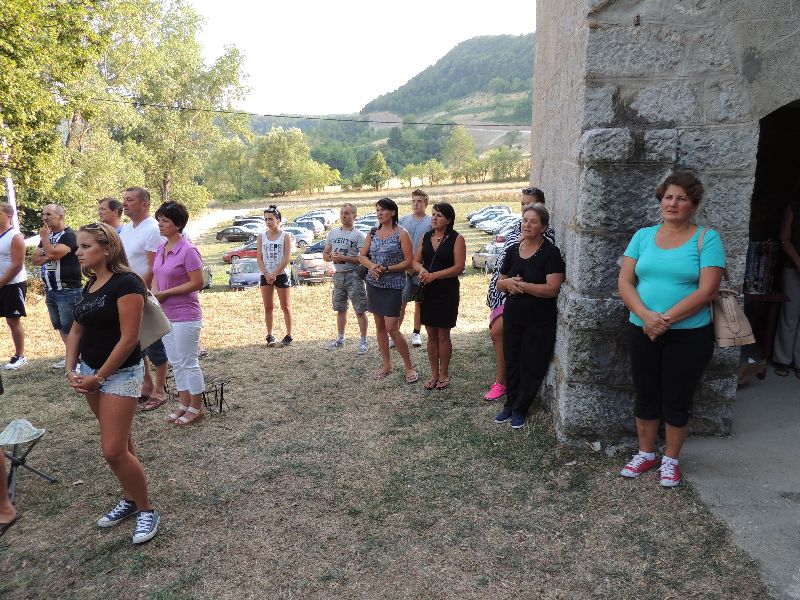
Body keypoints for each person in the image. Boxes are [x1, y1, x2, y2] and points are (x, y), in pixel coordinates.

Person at [618, 171, 725, 487]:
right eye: (668, 197)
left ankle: (671, 460)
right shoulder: (642, 237)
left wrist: (662, 320)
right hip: (642, 330)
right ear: (660, 200)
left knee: (678, 397)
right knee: (645, 392)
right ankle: (646, 454)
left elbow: (707, 291)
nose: (673, 203)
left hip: (689, 335)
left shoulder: (707, 239)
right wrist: (645, 316)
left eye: (681, 198)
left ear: (693, 204)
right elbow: (625, 282)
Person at [66, 222, 159, 544]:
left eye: (85, 246)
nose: (78, 252)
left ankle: (146, 509)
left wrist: (100, 377)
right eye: (78, 247)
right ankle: (131, 499)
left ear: (106, 248)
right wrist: (70, 369)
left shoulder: (127, 283)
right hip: (91, 371)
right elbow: (76, 330)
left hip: (119, 374)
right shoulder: (90, 285)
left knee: (112, 450)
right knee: (121, 442)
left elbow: (129, 338)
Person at [493, 204, 564, 430]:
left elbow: (552, 289)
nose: (527, 224)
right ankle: (510, 403)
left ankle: (521, 408)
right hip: (513, 315)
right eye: (525, 220)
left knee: (532, 362)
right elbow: (500, 282)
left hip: (539, 319)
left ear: (543, 227)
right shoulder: (513, 250)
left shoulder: (550, 253)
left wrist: (523, 286)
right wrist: (508, 283)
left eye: (533, 221)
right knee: (512, 360)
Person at [484, 187, 554, 401]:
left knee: (498, 332)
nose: (524, 208)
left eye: (529, 203)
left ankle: (502, 381)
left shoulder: (546, 235)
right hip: (503, 287)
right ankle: (507, 380)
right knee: (498, 333)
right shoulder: (517, 226)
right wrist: (502, 283)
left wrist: (518, 284)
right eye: (522, 203)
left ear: (540, 206)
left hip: (522, 290)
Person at [152, 202, 207, 426]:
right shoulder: (161, 248)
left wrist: (166, 293)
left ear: (178, 225)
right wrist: (155, 295)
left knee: (188, 361)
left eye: (165, 221)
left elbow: (198, 282)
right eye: (159, 220)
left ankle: (197, 407)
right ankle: (184, 403)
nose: (160, 224)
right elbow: (156, 275)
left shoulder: (188, 250)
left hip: (186, 314)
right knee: (176, 361)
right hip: (165, 314)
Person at [359, 197, 418, 383]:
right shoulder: (372, 233)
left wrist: (386, 269)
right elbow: (362, 256)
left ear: (393, 212)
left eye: (383, 210)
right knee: (379, 327)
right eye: (377, 210)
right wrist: (372, 266)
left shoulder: (402, 233)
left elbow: (409, 262)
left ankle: (409, 367)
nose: (379, 213)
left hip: (393, 286)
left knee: (392, 327)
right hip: (373, 284)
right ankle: (387, 365)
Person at [119, 187, 168, 411]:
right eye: (124, 200)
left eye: (130, 200)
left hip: (143, 294)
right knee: (137, 342)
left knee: (154, 341)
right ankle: (147, 385)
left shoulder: (152, 229)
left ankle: (160, 389)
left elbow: (153, 267)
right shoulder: (127, 229)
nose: (125, 204)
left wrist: (140, 291)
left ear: (144, 204)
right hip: (127, 293)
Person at [413, 202, 466, 390]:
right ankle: (434, 374)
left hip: (447, 291)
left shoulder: (457, 238)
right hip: (428, 290)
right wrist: (422, 271)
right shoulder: (425, 237)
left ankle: (444, 374)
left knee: (443, 334)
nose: (434, 218)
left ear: (449, 219)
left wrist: (434, 275)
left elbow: (458, 267)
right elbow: (415, 261)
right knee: (431, 334)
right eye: (433, 214)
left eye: (439, 215)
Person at [30, 204, 82, 369]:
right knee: (59, 325)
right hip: (51, 289)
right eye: (43, 214)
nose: (45, 217)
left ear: (60, 217)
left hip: (67, 289)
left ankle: (79, 360)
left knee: (70, 327)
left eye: (49, 214)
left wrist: (47, 246)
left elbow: (53, 253)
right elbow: (35, 260)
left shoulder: (69, 235)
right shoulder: (47, 237)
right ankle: (72, 357)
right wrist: (49, 252)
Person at [323, 203, 369, 354]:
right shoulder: (333, 233)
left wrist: (345, 258)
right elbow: (325, 254)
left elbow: (363, 258)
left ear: (354, 216)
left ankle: (363, 341)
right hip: (338, 276)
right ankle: (340, 338)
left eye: (347, 213)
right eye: (342, 212)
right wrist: (331, 257)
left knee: (360, 309)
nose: (344, 215)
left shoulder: (359, 235)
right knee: (340, 309)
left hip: (354, 275)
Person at [398, 189, 432, 348]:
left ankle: (416, 333)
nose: (416, 204)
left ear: (426, 203)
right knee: (401, 302)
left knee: (419, 302)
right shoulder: (403, 221)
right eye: (413, 201)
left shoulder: (431, 222)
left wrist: (420, 266)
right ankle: (395, 333)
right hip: (404, 269)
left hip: (421, 269)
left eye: (419, 201)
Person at [257, 205, 293, 347]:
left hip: (281, 274)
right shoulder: (261, 236)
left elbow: (287, 258)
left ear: (278, 220)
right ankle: (270, 334)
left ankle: (289, 334)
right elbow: (259, 258)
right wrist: (267, 274)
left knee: (285, 306)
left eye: (271, 219)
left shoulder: (285, 236)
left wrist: (275, 274)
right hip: (265, 275)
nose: (268, 222)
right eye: (266, 219)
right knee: (268, 306)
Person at [0, 202, 28, 370]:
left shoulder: (15, 236)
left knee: (12, 320)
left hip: (12, 284)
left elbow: (17, 264)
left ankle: (20, 355)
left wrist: (2, 282)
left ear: (8, 215)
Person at [774, 196, 800, 376]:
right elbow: (784, 238)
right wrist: (798, 262)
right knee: (790, 313)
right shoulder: (794, 206)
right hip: (793, 267)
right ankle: (782, 359)